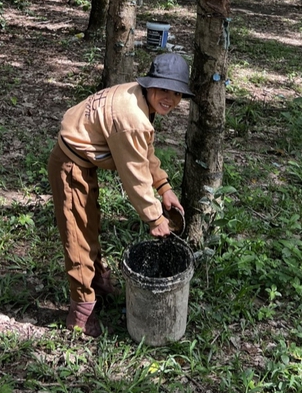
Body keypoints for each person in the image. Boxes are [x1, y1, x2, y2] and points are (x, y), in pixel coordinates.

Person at [47, 53, 194, 337]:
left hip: (82, 159)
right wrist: (154, 218)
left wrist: (164, 187)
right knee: (77, 234)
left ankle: (98, 284)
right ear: (151, 84)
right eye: (164, 90)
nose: (171, 99)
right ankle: (81, 311)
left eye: (177, 94)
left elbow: (144, 151)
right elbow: (134, 175)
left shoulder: (138, 99)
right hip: (70, 163)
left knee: (89, 225)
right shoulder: (132, 118)